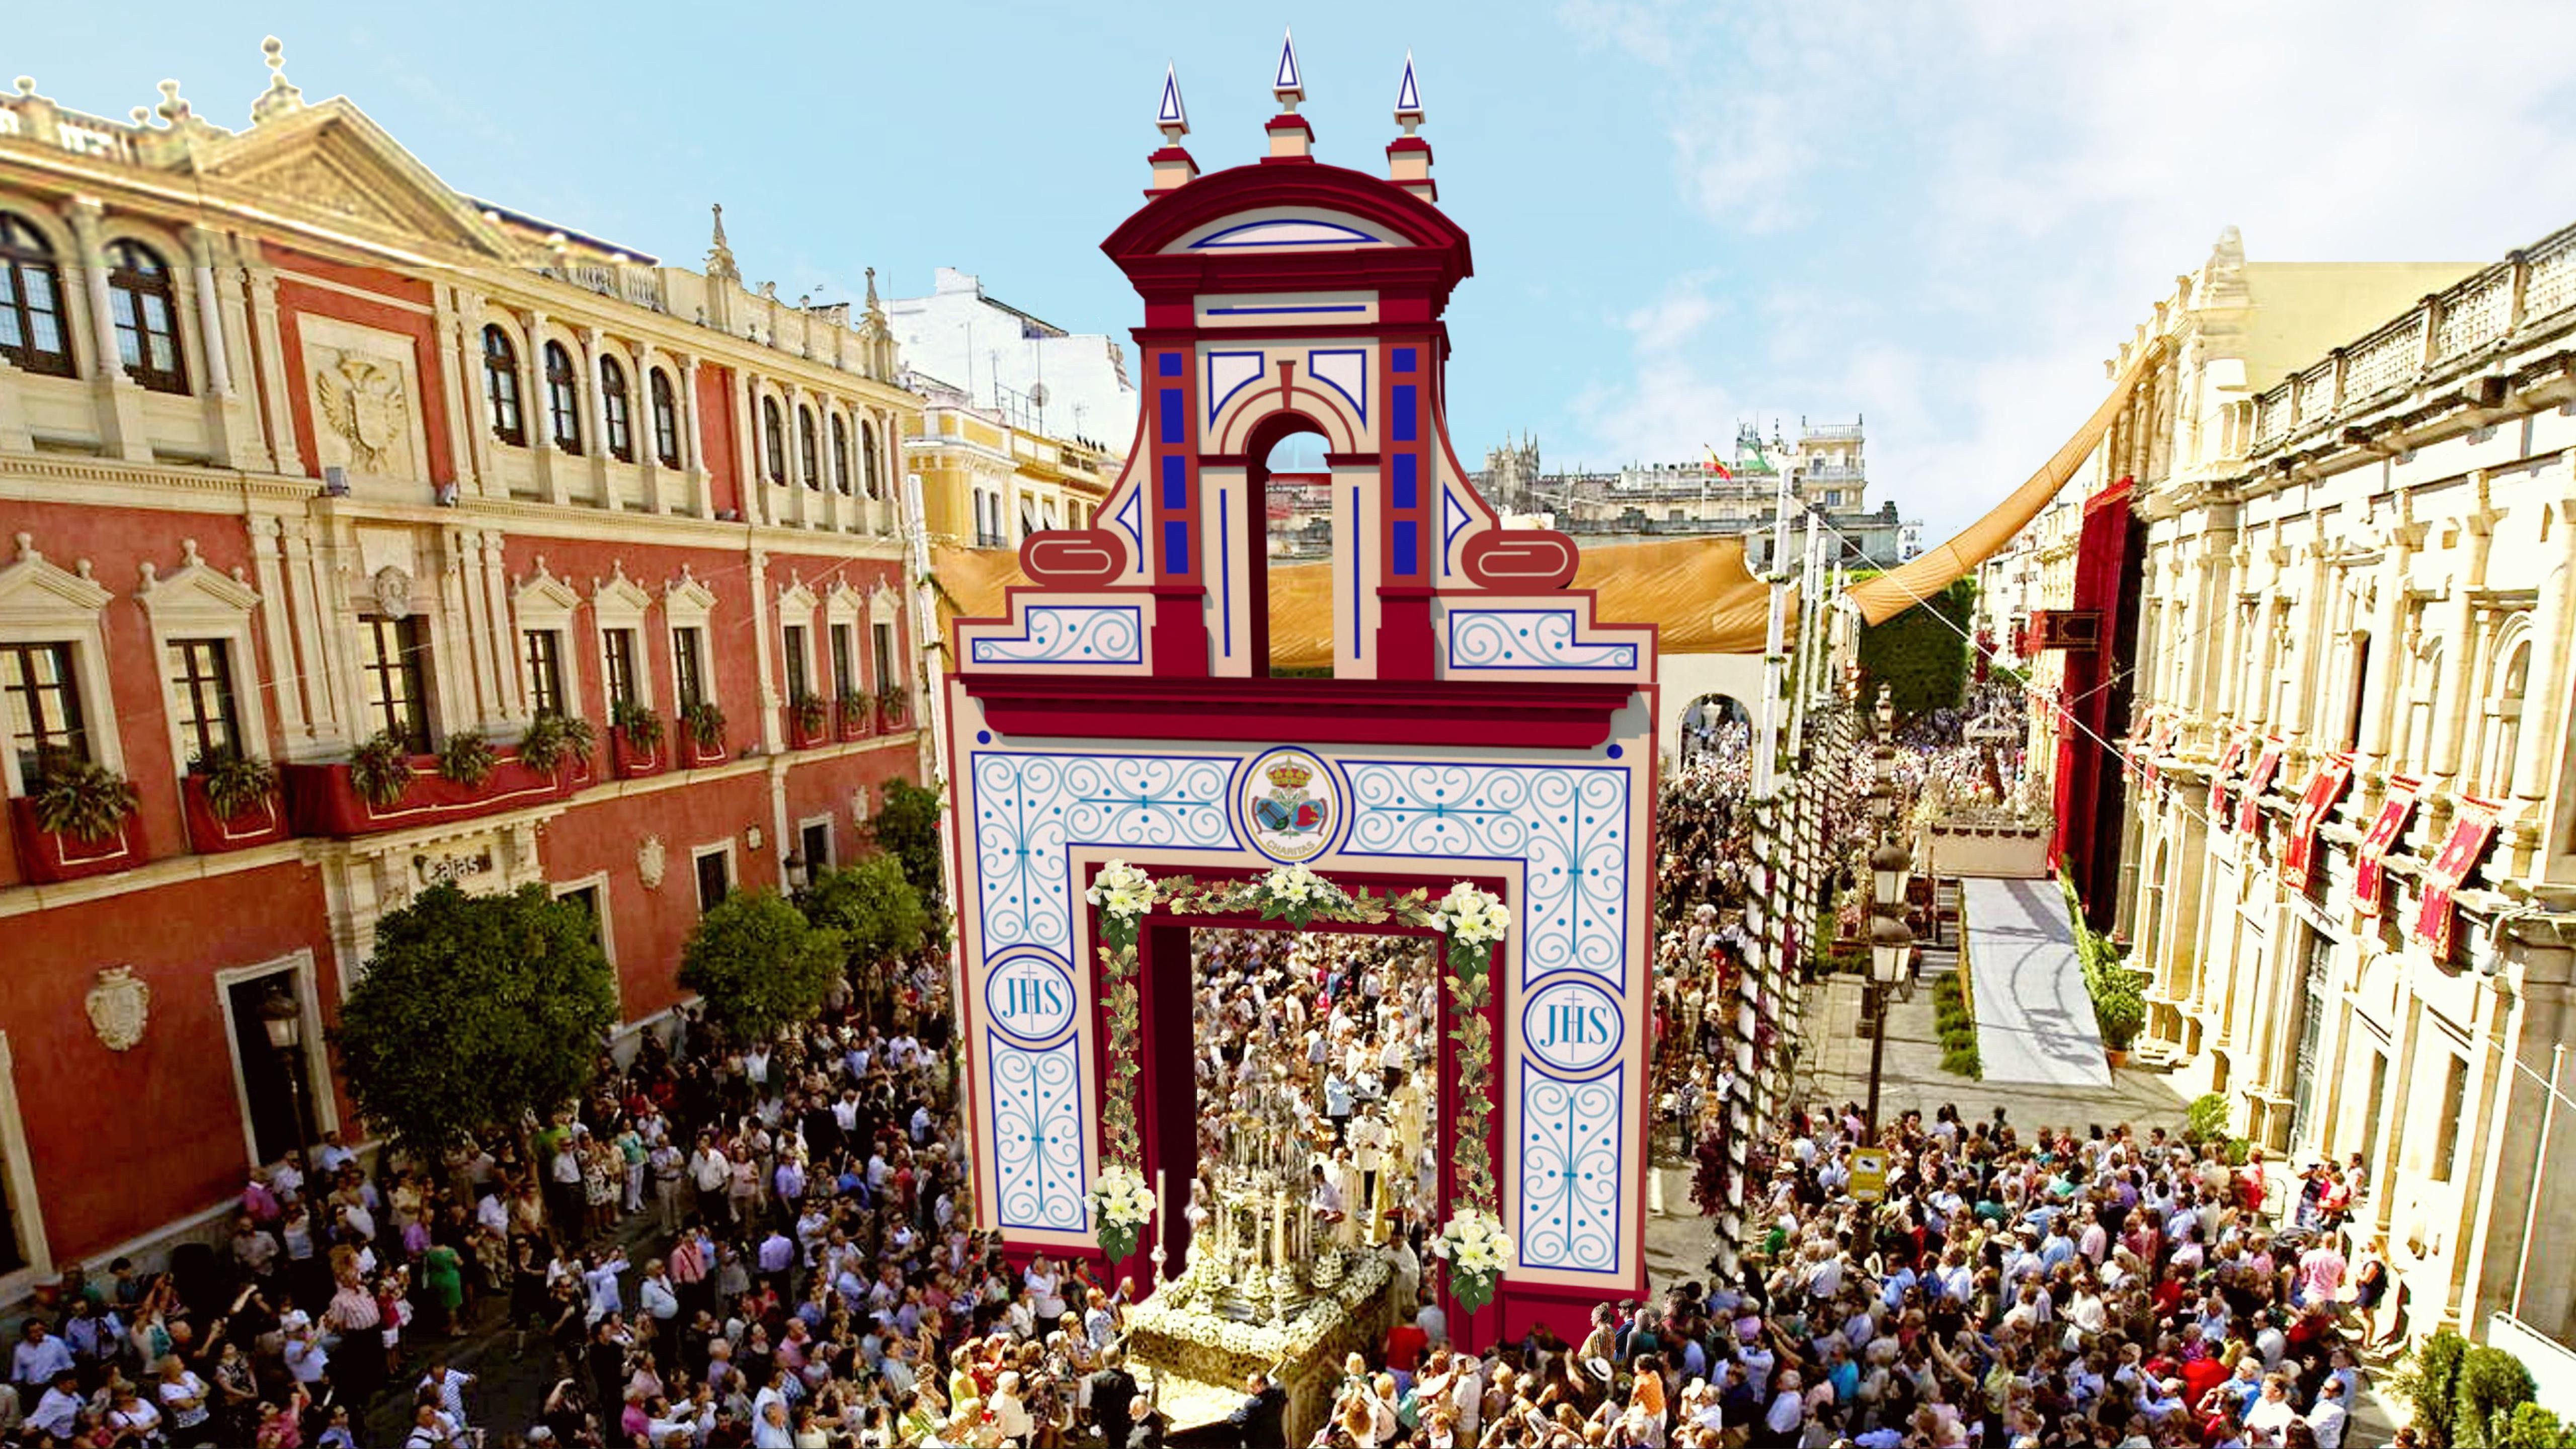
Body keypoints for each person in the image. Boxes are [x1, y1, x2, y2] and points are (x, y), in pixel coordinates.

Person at [1230, 1370, 1286, 1449]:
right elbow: (1277, 1383)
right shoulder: (1280, 1393)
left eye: (1252, 1386)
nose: (1249, 1389)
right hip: (1277, 1444)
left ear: (1262, 1385)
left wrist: (1234, 1413)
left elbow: (1235, 1419)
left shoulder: (1254, 1404)